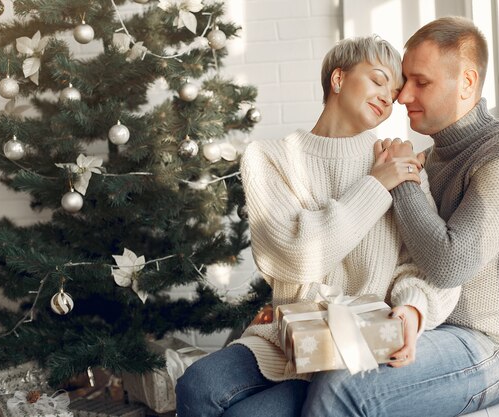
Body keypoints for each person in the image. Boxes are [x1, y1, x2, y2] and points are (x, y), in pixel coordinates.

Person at [175, 35, 460, 417]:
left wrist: (412, 308)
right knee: (197, 385)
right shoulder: (268, 158)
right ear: (338, 79)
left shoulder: (397, 161)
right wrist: (375, 187)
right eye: (377, 80)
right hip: (287, 339)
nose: (386, 98)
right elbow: (294, 256)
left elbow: (430, 264)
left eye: (393, 94)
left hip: (358, 346)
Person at [301, 17, 499, 416]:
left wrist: (402, 179)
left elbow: (449, 262)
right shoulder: (429, 159)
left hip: (489, 348)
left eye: (421, 82)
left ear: (467, 83)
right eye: (404, 81)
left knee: (343, 385)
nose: (401, 96)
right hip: (420, 324)